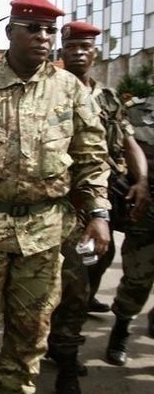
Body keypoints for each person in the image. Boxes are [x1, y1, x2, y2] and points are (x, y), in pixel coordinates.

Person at [0, 0, 111, 394]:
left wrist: (100, 214)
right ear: (10, 31)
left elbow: (92, 159)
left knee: (29, 336)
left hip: (44, 234)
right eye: (33, 29)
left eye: (50, 31)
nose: (43, 37)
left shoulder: (70, 90)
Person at [45, 21, 150, 393]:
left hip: (96, 206)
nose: (78, 51)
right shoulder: (47, 89)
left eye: (85, 46)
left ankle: (60, 344)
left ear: (95, 52)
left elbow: (127, 141)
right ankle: (63, 355)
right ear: (62, 49)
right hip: (56, 203)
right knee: (63, 282)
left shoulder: (106, 98)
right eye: (72, 45)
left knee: (87, 277)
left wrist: (140, 180)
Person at [104, 93, 154, 368]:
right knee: (137, 277)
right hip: (147, 206)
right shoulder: (137, 111)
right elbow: (125, 146)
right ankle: (121, 328)